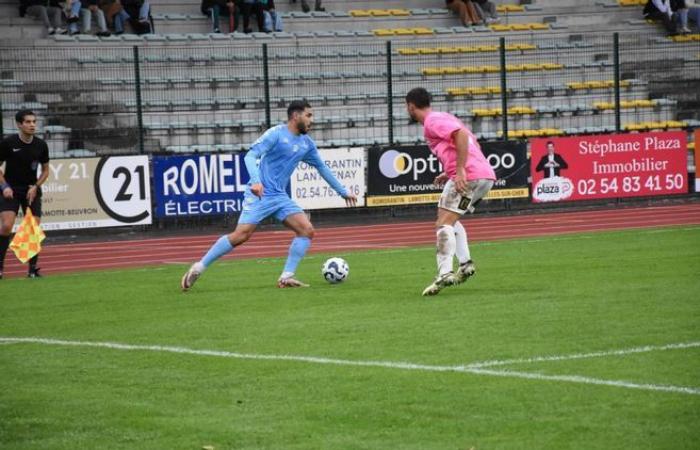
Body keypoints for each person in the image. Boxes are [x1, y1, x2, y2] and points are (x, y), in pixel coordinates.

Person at [181, 100, 357, 291]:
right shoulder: (276, 134)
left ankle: (286, 276)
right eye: (309, 115)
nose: (311, 120)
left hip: (279, 196)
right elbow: (250, 156)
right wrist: (256, 181)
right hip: (260, 194)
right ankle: (198, 268)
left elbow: (321, 168)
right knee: (241, 235)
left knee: (307, 231)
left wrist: (342, 191)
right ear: (295, 116)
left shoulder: (307, 144)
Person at [405, 88, 496, 297]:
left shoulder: (432, 120)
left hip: (469, 175)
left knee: (443, 224)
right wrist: (449, 171)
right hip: (484, 176)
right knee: (447, 217)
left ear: (410, 106)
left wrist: (461, 169)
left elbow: (461, 135)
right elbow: (471, 142)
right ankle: (465, 264)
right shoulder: (444, 117)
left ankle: (445, 273)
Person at [0, 110, 50, 279]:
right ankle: (0, 268)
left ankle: (32, 269)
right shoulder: (8, 143)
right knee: (7, 226)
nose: (32, 125)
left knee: (32, 228)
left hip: (31, 190)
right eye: (28, 122)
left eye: (34, 121)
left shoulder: (41, 145)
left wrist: (36, 186)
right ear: (19, 124)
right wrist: (4, 186)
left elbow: (45, 170)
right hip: (11, 190)